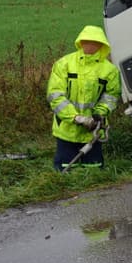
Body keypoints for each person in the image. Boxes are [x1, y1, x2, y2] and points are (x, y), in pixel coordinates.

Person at [46, 25, 121, 171]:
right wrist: (76, 118)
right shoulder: (64, 64)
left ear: (101, 45)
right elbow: (55, 96)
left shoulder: (109, 70)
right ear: (80, 42)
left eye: (95, 42)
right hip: (66, 130)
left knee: (94, 172)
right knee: (65, 171)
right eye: (87, 41)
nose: (90, 45)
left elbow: (111, 96)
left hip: (93, 132)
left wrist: (99, 114)